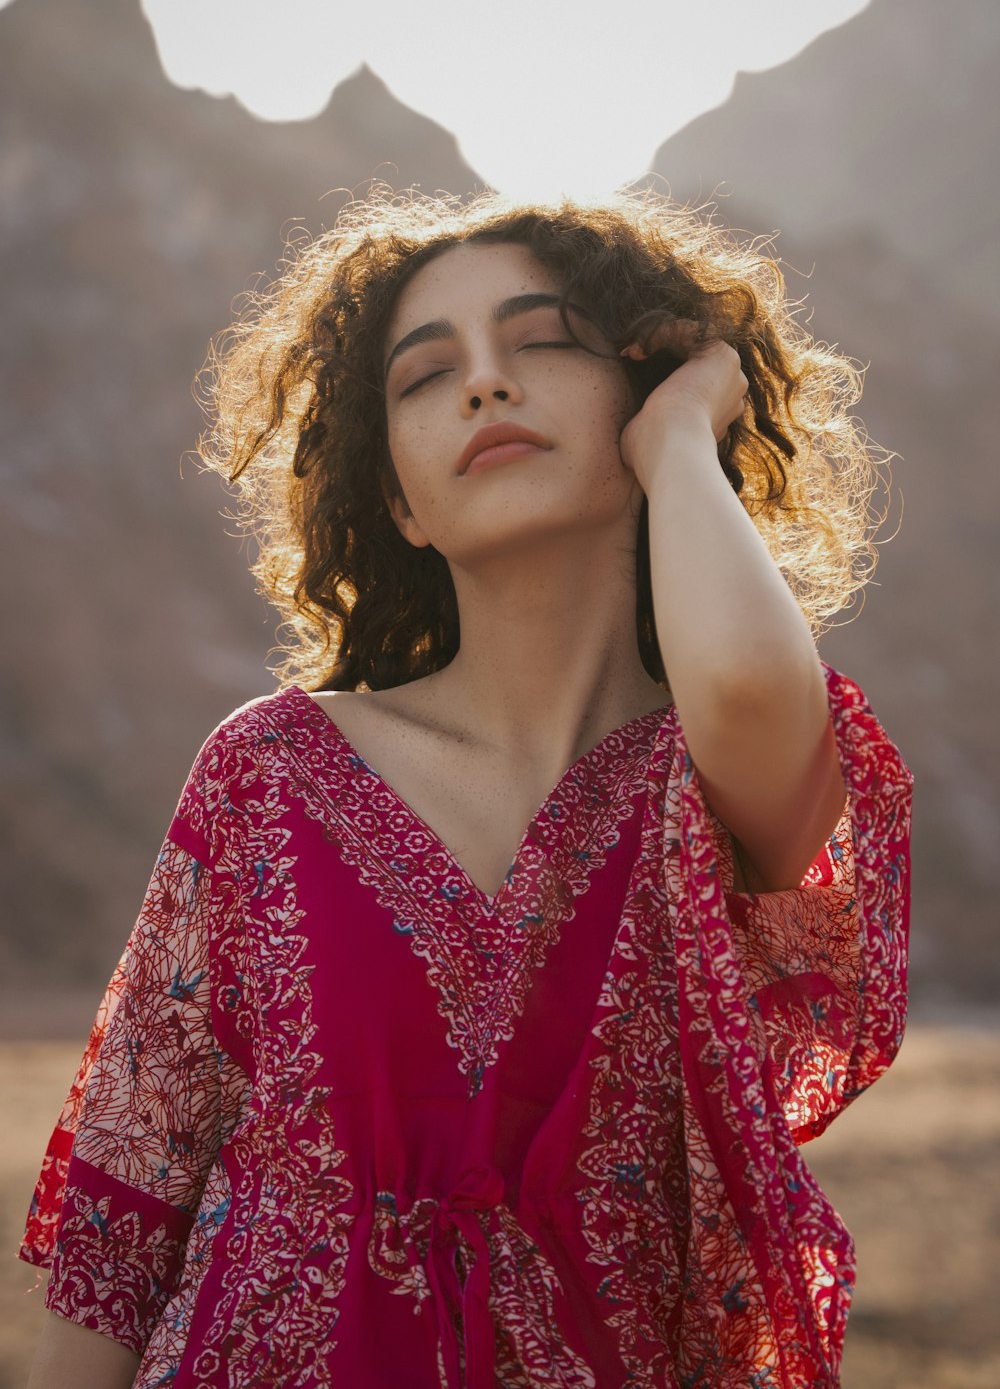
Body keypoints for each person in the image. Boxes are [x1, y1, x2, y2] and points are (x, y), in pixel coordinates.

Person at [18, 186, 912, 1389]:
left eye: (541, 342)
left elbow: (752, 684)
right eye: (426, 375)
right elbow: (125, 1207)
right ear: (397, 500)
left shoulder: (707, 780)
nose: (487, 383)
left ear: (638, 399)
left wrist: (684, 434)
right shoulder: (268, 769)